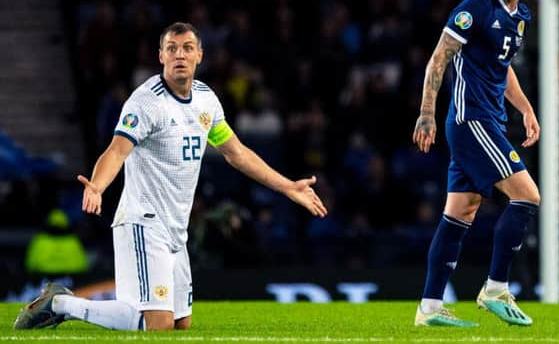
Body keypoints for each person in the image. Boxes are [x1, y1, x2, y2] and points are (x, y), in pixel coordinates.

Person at [14, 22, 328, 331]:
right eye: (172, 48)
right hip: (143, 219)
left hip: (176, 227)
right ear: (161, 56)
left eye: (187, 48)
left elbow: (237, 153)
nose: (180, 54)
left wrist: (288, 186)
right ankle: (60, 304)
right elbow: (117, 151)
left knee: (180, 323)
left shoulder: (206, 101)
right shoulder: (146, 102)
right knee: (159, 325)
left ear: (200, 55)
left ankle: (63, 301)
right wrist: (97, 186)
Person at [412, 0, 540, 327]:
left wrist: (526, 109)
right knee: (528, 197)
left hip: (488, 121)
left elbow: (504, 70)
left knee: (460, 214)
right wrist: (426, 112)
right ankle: (496, 288)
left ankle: (429, 308)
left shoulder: (520, 18)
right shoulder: (474, 10)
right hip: (472, 122)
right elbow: (439, 59)